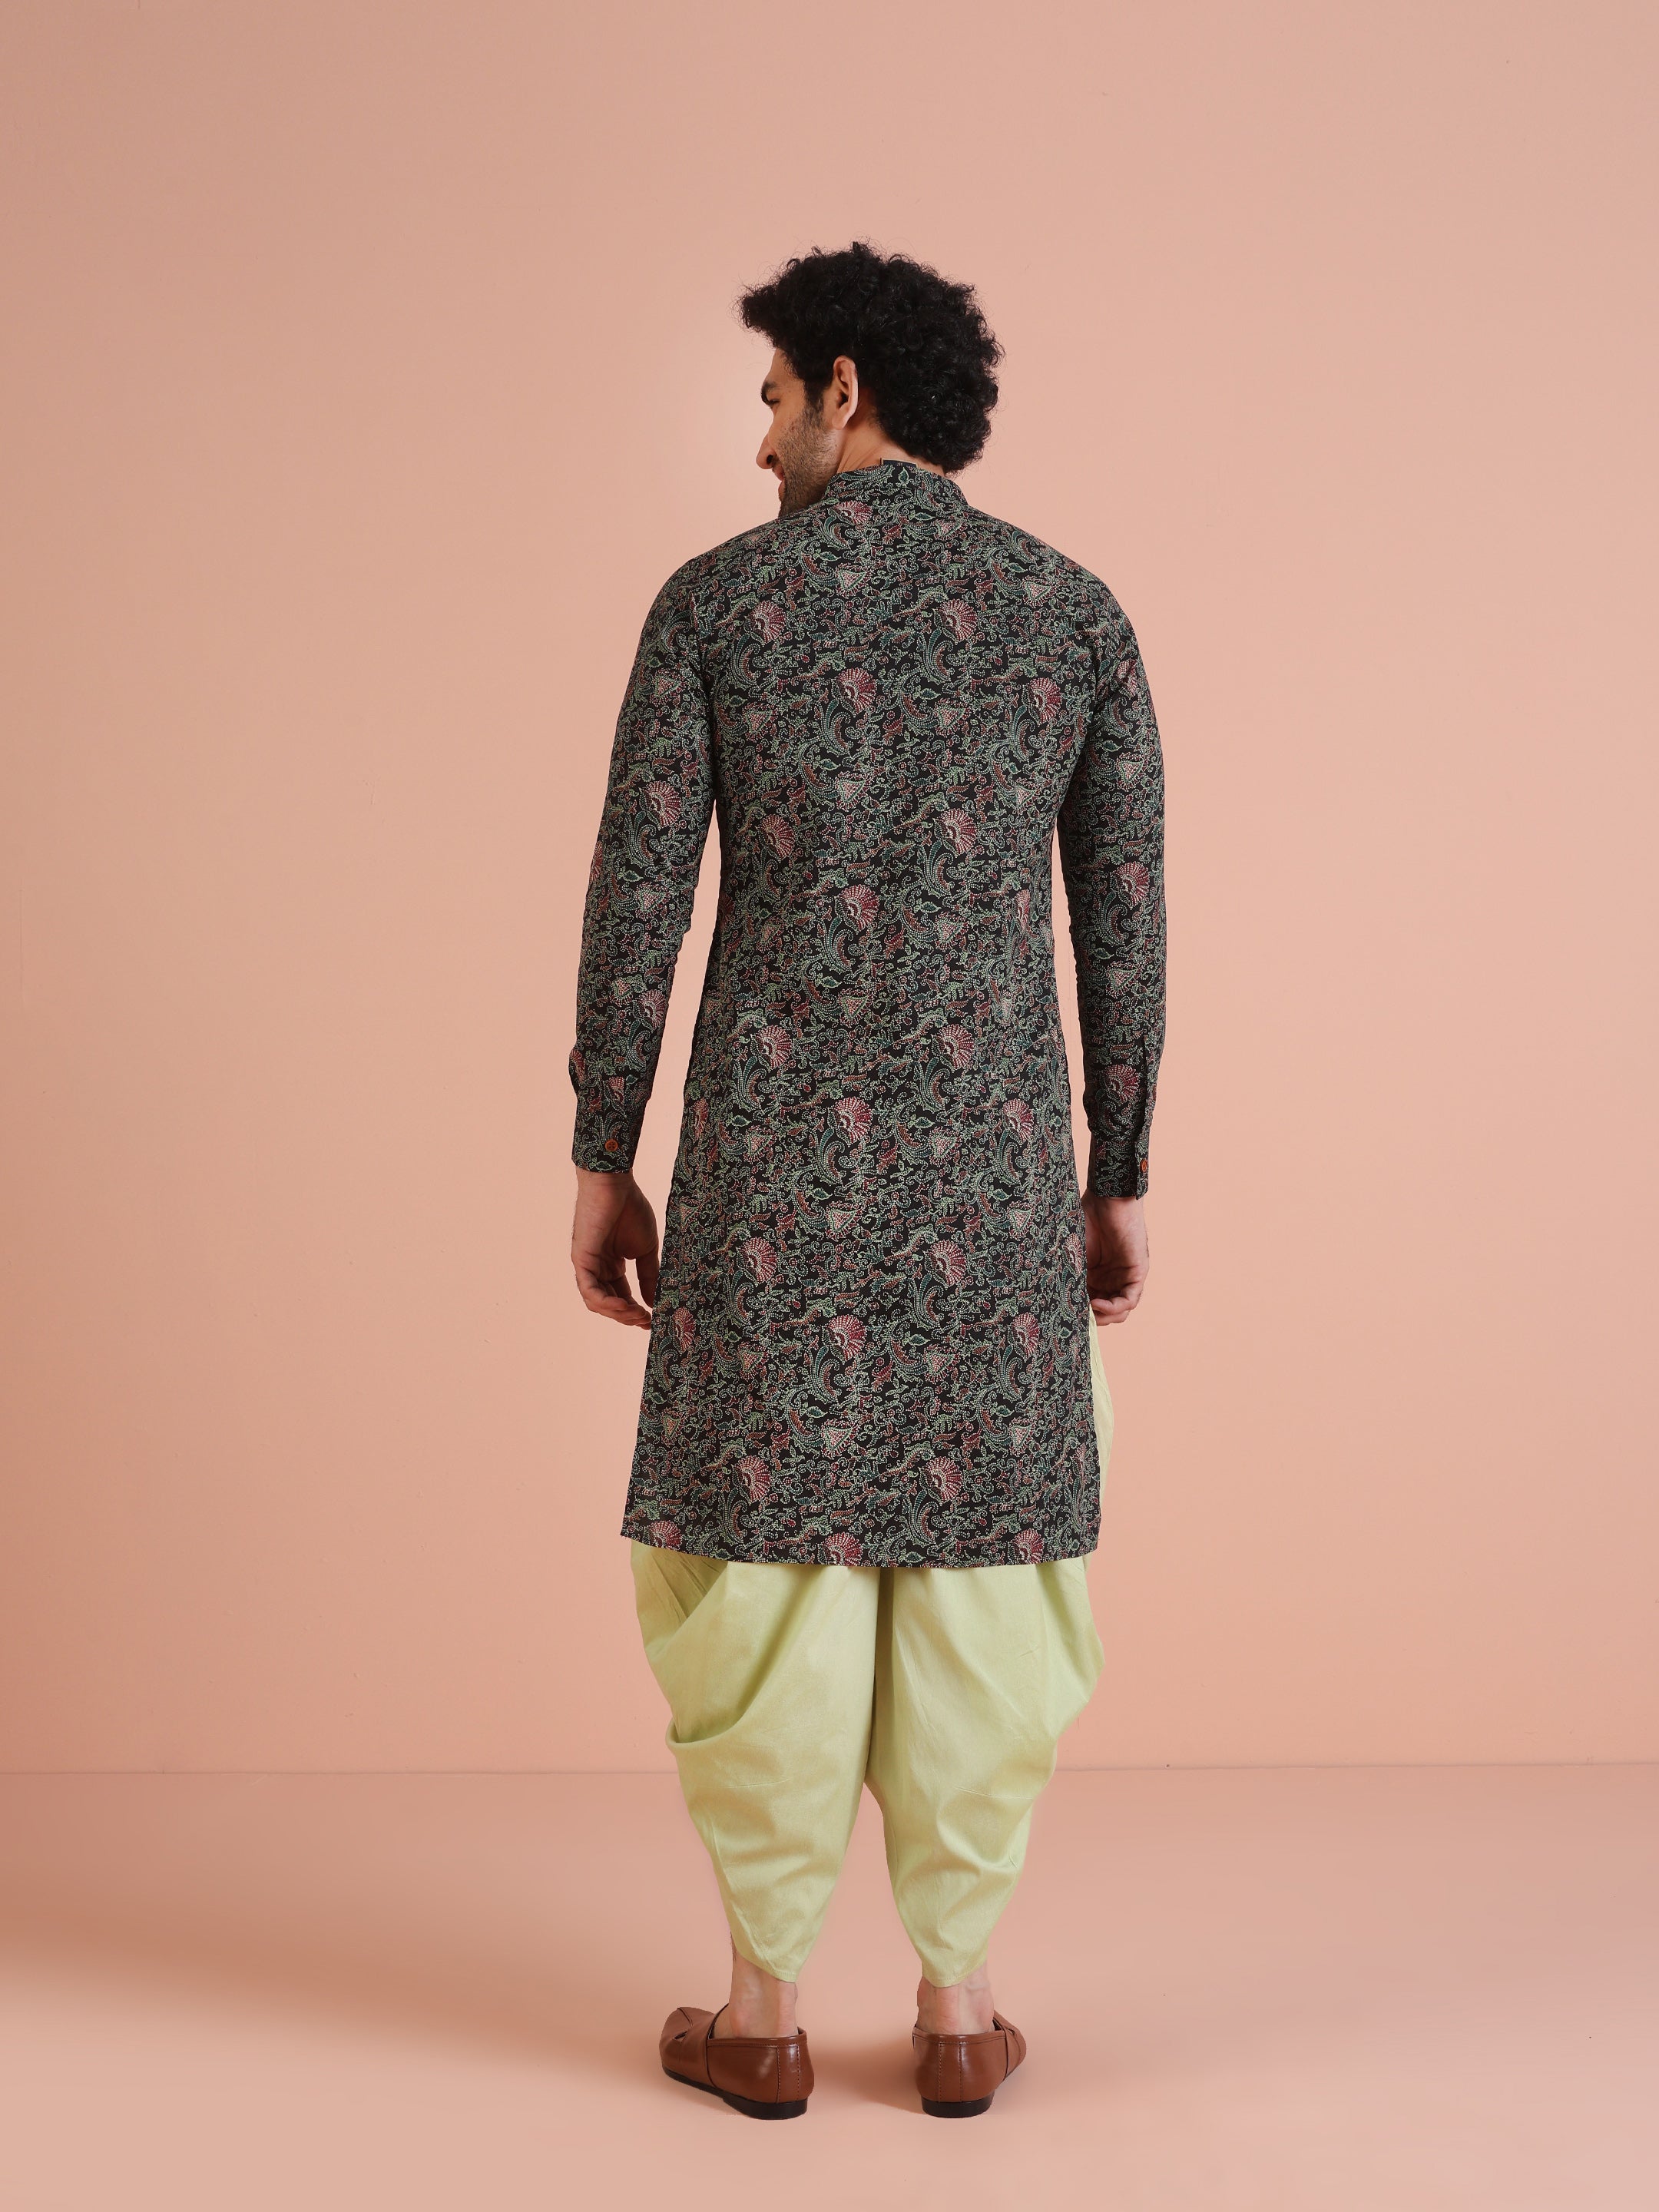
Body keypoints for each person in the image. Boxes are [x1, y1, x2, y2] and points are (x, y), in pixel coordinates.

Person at [568, 242, 1165, 2120]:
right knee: (984, 1571)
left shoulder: (716, 607)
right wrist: (1117, 1165)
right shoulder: (1072, 616)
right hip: (994, 1174)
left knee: (761, 1578)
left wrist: (605, 1147)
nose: (760, 444)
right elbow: (1124, 922)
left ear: (844, 387)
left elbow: (639, 899)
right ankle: (959, 2008)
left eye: (771, 400)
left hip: (768, 1177)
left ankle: (762, 2013)